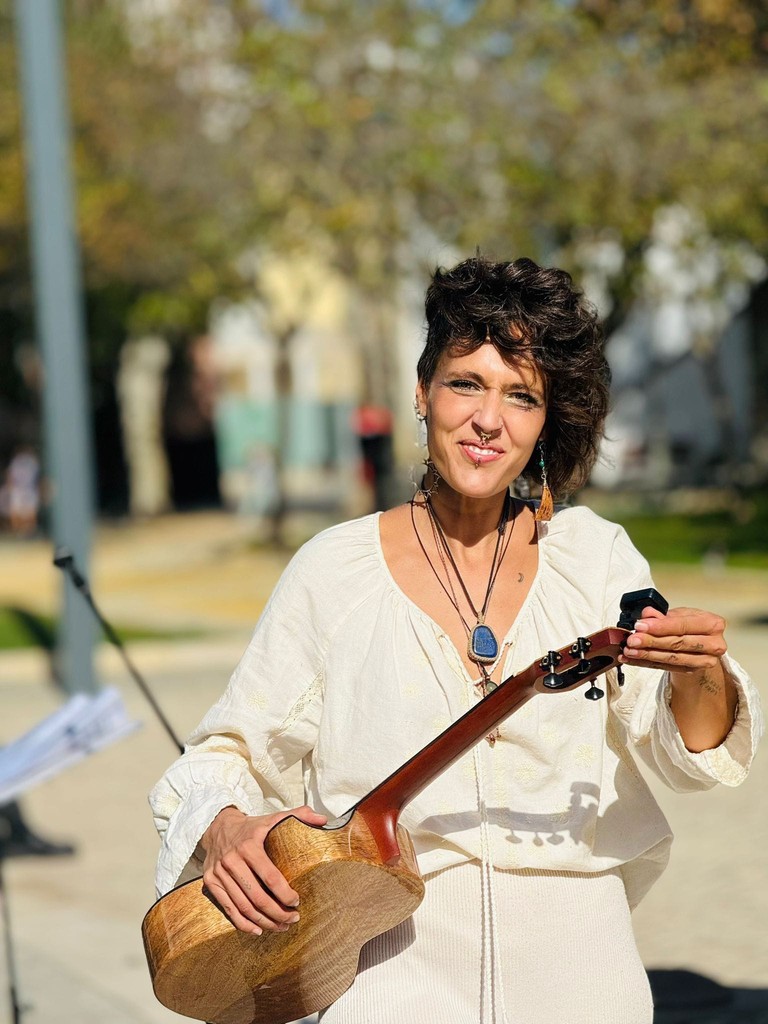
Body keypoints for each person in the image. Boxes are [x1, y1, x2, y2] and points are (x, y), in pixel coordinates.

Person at [150, 256, 762, 1024]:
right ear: (422, 392)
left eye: (521, 396)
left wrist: (697, 673)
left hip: (584, 976)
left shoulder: (596, 559)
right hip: (386, 972)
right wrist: (230, 824)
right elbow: (222, 754)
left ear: (545, 421)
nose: (488, 419)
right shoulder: (334, 570)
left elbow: (692, 755)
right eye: (465, 382)